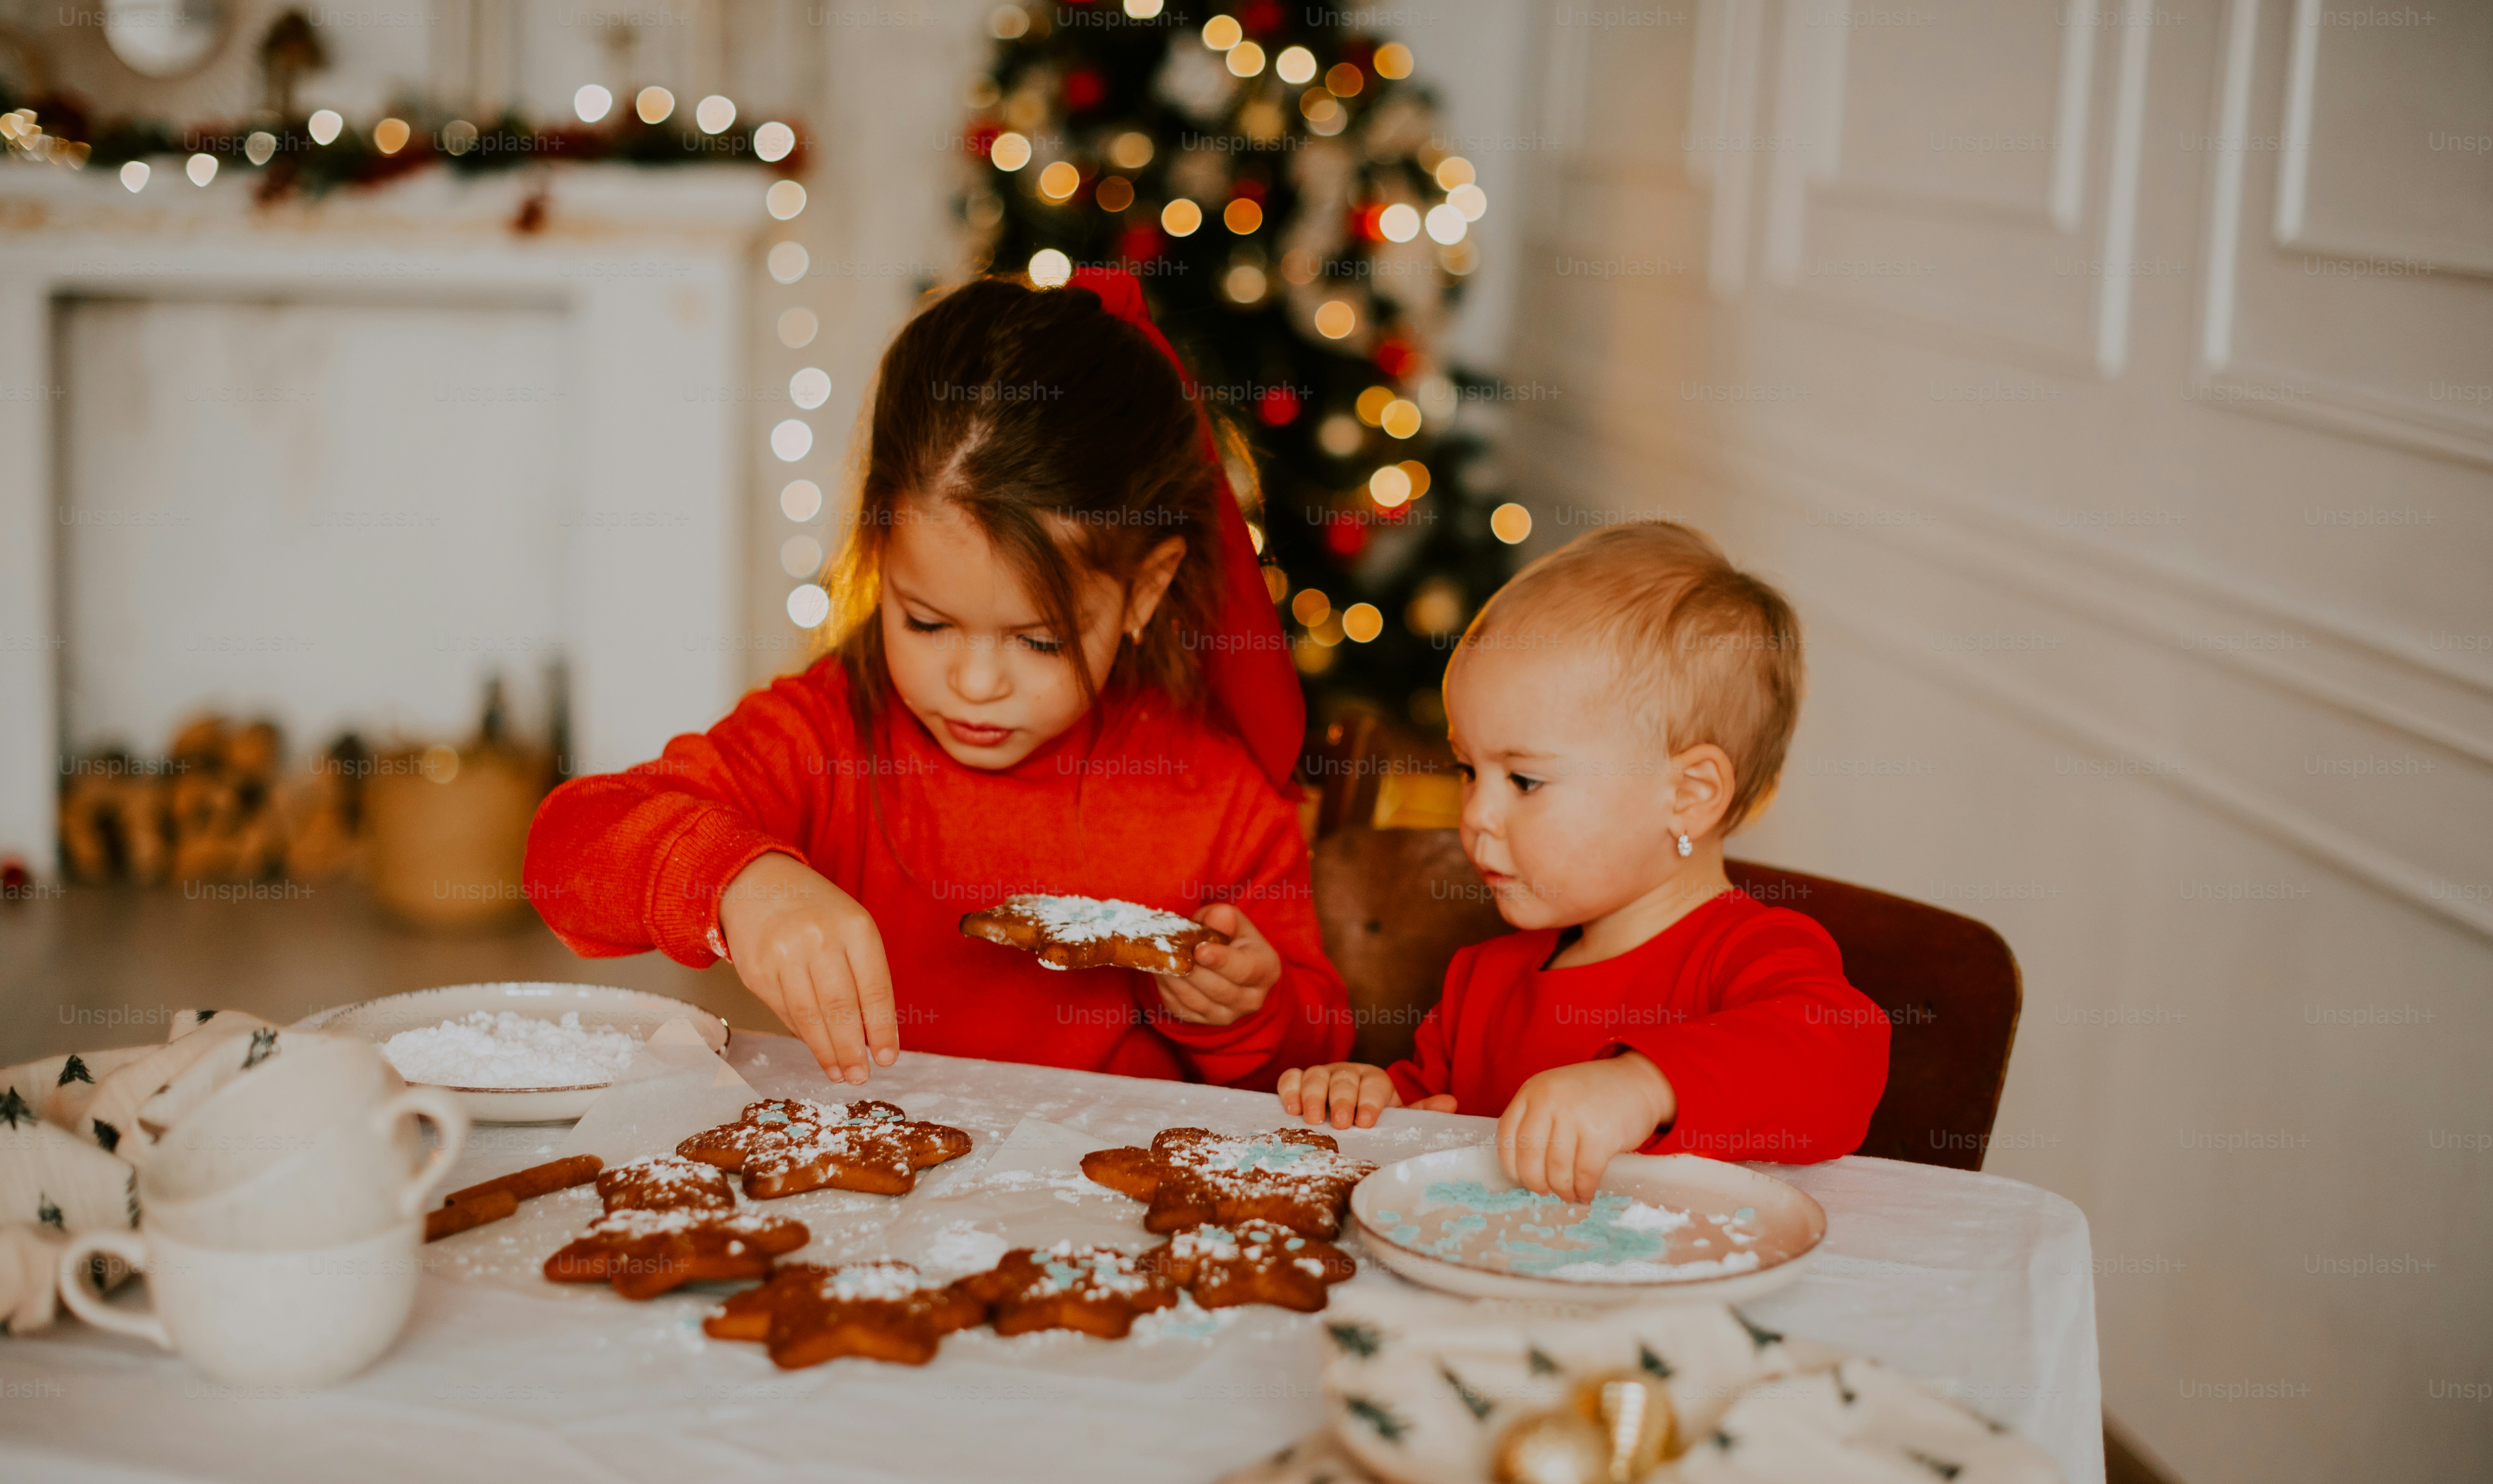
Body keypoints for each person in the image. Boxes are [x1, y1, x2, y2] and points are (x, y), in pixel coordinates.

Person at [526, 273, 1349, 1089]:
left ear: (1142, 588)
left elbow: (1314, 1060)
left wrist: (1242, 1007)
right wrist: (735, 882)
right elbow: (565, 853)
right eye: (926, 622)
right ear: (880, 554)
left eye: (1037, 639)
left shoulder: (1215, 797)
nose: (974, 682)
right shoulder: (825, 737)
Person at [1278, 522, 1888, 1197]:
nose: (1476, 813)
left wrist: (1644, 1084)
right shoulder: (1480, 981)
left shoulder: (1746, 957)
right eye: (1467, 770)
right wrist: (1370, 1098)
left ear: (1688, 796)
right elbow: (1429, 1118)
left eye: (1525, 781)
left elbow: (1840, 1060)